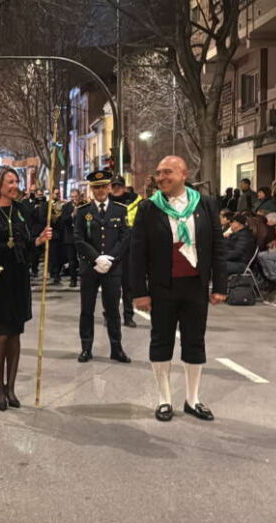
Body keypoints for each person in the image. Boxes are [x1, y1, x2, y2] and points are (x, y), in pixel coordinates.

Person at [131, 156, 227, 423]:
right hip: (163, 286)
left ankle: (192, 399)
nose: (161, 177)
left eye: (167, 172)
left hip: (195, 285)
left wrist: (220, 285)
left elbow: (217, 247)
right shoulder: (149, 208)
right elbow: (137, 254)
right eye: (158, 173)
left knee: (195, 342)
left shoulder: (205, 205)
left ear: (184, 174)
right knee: (161, 341)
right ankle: (164, 399)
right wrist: (139, 291)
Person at [0, 166, 52, 411]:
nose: (14, 185)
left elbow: (25, 244)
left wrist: (39, 240)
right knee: (1, 334)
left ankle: (11, 387)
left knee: (15, 334)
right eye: (10, 181)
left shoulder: (21, 210)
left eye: (16, 181)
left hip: (17, 280)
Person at [73, 170, 131, 363]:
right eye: (96, 187)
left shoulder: (120, 210)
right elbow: (79, 239)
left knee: (113, 310)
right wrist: (97, 258)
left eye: (104, 186)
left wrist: (110, 258)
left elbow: (124, 238)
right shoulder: (83, 212)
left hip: (112, 269)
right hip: (90, 267)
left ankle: (117, 348)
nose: (100, 191)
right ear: (92, 189)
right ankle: (86, 348)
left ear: (109, 187)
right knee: (87, 310)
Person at [112, 175, 142, 327]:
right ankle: (110, 314)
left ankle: (128, 316)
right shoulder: (106, 201)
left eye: (119, 186)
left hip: (131, 249)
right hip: (112, 248)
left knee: (128, 285)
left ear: (124, 187)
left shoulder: (137, 201)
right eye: (114, 186)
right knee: (111, 286)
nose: (116, 188)